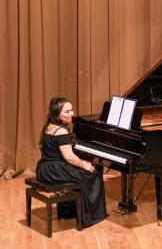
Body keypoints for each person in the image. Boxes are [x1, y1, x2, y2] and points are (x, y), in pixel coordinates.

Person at [35, 97, 108, 228]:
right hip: (55, 169)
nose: (72, 114)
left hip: (45, 167)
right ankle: (91, 215)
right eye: (67, 112)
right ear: (57, 114)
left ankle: (70, 211)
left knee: (86, 168)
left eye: (72, 110)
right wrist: (85, 164)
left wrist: (87, 160)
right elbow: (69, 157)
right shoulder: (61, 131)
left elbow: (66, 153)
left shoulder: (50, 126)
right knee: (93, 171)